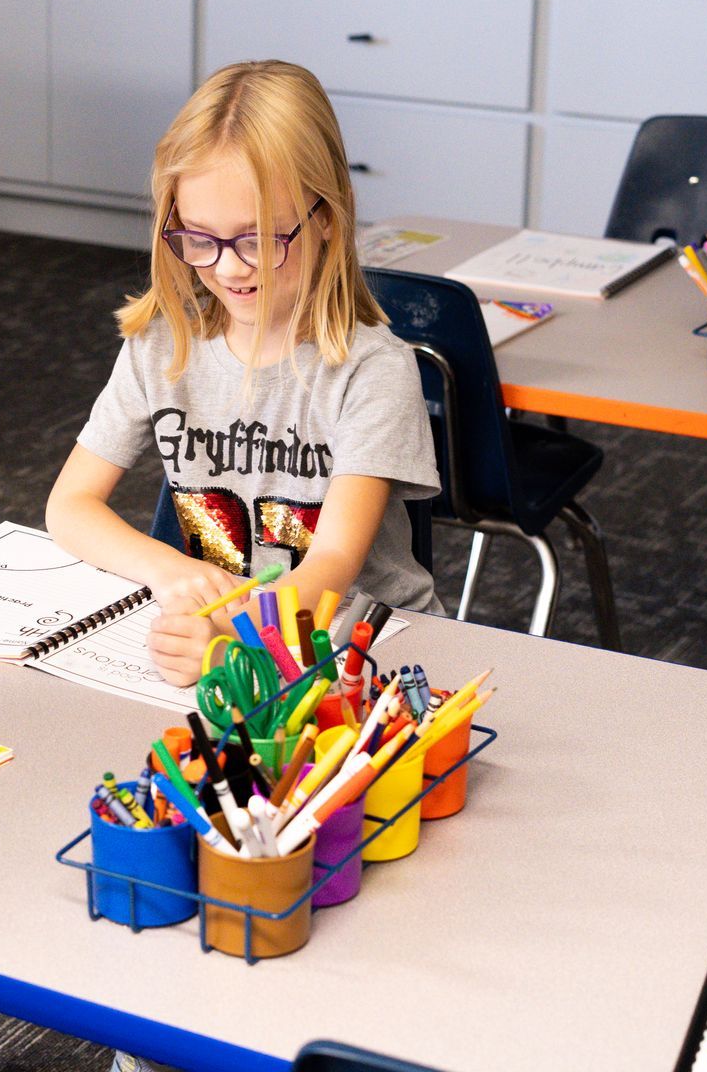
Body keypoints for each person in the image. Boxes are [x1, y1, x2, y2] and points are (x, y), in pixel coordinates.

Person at [47, 60, 442, 691]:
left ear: (326, 220)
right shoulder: (162, 346)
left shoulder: (372, 370)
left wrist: (233, 636)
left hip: (365, 650)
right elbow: (69, 506)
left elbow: (333, 563)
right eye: (199, 238)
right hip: (222, 643)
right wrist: (173, 573)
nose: (228, 268)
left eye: (257, 239)